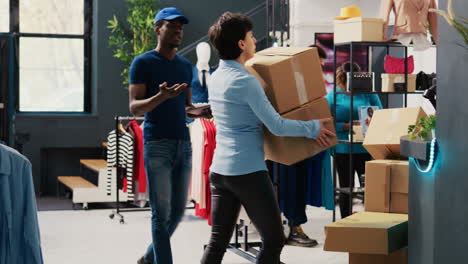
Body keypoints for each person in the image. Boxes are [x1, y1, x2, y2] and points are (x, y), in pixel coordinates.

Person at [201, 12, 335, 264]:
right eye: (251, 37)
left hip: (219, 171)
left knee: (218, 242)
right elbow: (277, 125)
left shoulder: (217, 76)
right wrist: (313, 127)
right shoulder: (245, 81)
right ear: (241, 44)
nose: (254, 41)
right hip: (247, 172)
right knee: (273, 239)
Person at [128, 7, 208, 264]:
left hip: (183, 144)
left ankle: (148, 258)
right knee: (160, 214)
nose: (177, 31)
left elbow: (186, 107)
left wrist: (203, 110)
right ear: (157, 29)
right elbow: (134, 107)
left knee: (176, 214)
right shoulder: (142, 63)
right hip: (157, 144)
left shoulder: (185, 66)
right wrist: (160, 96)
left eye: (180, 27)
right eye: (172, 26)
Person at [279, 44, 329, 248]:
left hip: (302, 139)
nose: (320, 69)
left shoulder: (310, 82)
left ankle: (293, 227)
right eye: (318, 65)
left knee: (297, 186)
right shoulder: (292, 80)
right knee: (291, 186)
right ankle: (292, 229)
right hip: (289, 140)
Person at [325, 62, 383, 218]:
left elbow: (381, 114)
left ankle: (370, 220)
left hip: (365, 147)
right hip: (343, 149)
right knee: (346, 188)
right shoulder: (333, 95)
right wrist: (344, 126)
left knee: (370, 189)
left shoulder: (368, 93)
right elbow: (325, 122)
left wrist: (368, 121)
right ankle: (346, 221)